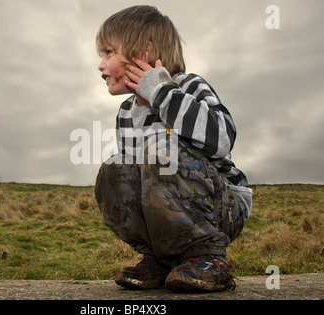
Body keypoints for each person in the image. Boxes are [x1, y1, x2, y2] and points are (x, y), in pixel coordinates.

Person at [94, 5, 252, 292]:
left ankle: (207, 255)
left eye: (108, 53)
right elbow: (137, 182)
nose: (101, 65)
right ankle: (160, 258)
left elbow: (223, 139)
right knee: (115, 170)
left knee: (159, 147)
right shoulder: (125, 113)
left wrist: (161, 92)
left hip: (221, 209)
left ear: (143, 52)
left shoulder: (187, 86)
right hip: (165, 212)